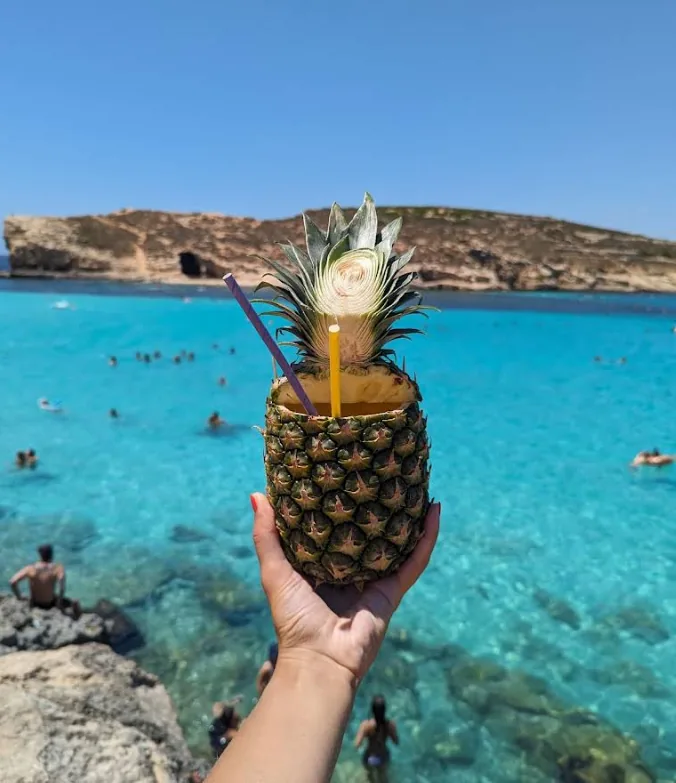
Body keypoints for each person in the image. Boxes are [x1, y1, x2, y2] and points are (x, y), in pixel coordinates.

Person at [203, 494, 440, 783]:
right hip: (381, 752)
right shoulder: (386, 725)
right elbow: (396, 741)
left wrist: (314, 658)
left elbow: (353, 742)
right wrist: (323, 660)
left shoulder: (365, 727)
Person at [9, 544, 82, 619]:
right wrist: (59, 603)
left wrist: (19, 597)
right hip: (50, 602)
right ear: (52, 554)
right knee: (75, 602)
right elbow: (62, 587)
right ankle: (78, 619)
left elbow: (12, 582)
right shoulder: (57, 568)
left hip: (35, 603)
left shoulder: (31, 569)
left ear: (40, 555)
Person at [355, 695, 399, 782]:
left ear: (372, 710)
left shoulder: (366, 725)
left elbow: (357, 744)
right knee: (383, 778)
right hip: (383, 756)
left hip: (370, 757)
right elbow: (396, 741)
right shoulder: (390, 725)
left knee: (370, 777)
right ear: (384, 710)